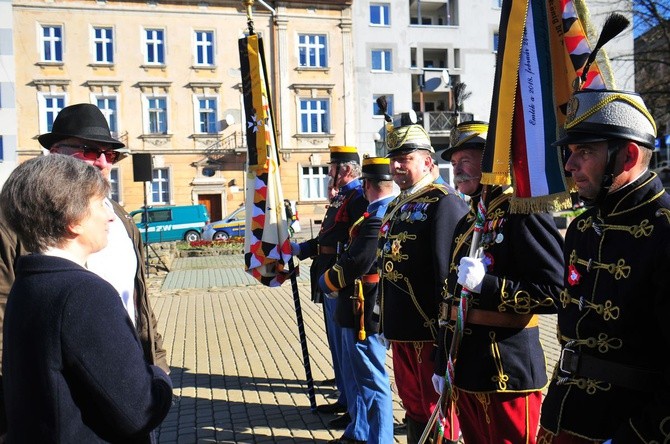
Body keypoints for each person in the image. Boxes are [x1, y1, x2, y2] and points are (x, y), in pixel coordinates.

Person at [0, 103, 169, 436]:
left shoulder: (117, 218)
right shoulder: (17, 223)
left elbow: (138, 302)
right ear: (55, 153)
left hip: (127, 380)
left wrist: (157, 363)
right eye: (91, 151)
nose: (104, 163)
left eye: (111, 155)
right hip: (58, 398)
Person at [538, 89, 670, 443]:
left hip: (625, 426)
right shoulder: (582, 227)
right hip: (561, 416)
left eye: (585, 151)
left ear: (626, 156)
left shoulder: (666, 230)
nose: (569, 165)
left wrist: (639, 436)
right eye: (570, 152)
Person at [433, 121, 564, 443]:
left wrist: (487, 285)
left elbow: (555, 292)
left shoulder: (523, 209)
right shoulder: (470, 219)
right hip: (465, 365)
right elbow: (451, 300)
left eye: (465, 160)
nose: (457, 169)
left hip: (504, 368)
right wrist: (441, 360)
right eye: (454, 162)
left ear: (492, 162)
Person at [377, 117, 469, 444]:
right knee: (413, 406)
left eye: (406, 158)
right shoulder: (399, 206)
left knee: (435, 411)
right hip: (402, 330)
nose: (397, 165)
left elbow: (447, 274)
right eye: (394, 159)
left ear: (428, 161)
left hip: (429, 332)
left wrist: (445, 336)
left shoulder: (443, 202)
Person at [318, 156, 398, 444]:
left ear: (366, 184)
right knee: (363, 377)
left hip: (366, 305)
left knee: (372, 380)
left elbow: (358, 261)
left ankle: (380, 439)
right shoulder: (378, 212)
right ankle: (364, 432)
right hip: (359, 303)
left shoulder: (379, 216)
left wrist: (325, 282)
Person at [292, 146, 368, 428]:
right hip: (327, 275)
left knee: (348, 348)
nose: (328, 173)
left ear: (346, 170)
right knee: (337, 345)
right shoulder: (344, 197)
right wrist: (299, 249)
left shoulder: (358, 196)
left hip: (341, 279)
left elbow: (357, 242)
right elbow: (329, 236)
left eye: (332, 168)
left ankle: (353, 408)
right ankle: (344, 397)